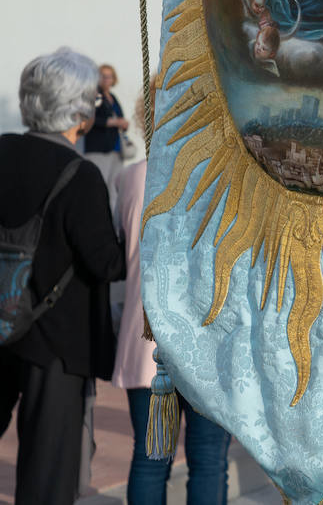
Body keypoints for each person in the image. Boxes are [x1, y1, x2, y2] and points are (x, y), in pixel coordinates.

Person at [0, 49, 126, 505]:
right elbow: (106, 264)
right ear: (78, 110)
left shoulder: (3, 148)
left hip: (1, 321)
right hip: (54, 342)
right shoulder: (80, 175)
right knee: (47, 473)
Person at [112, 96, 232, 504]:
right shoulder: (221, 178)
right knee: (209, 459)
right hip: (208, 344)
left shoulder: (130, 178)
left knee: (149, 459)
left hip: (147, 342)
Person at [84, 63, 129, 198]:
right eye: (103, 76)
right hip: (99, 150)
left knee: (114, 189)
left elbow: (120, 116)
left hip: (115, 150)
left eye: (109, 77)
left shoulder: (113, 97)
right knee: (98, 187)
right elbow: (88, 119)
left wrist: (124, 124)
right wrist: (112, 122)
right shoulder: (94, 96)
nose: (106, 80)